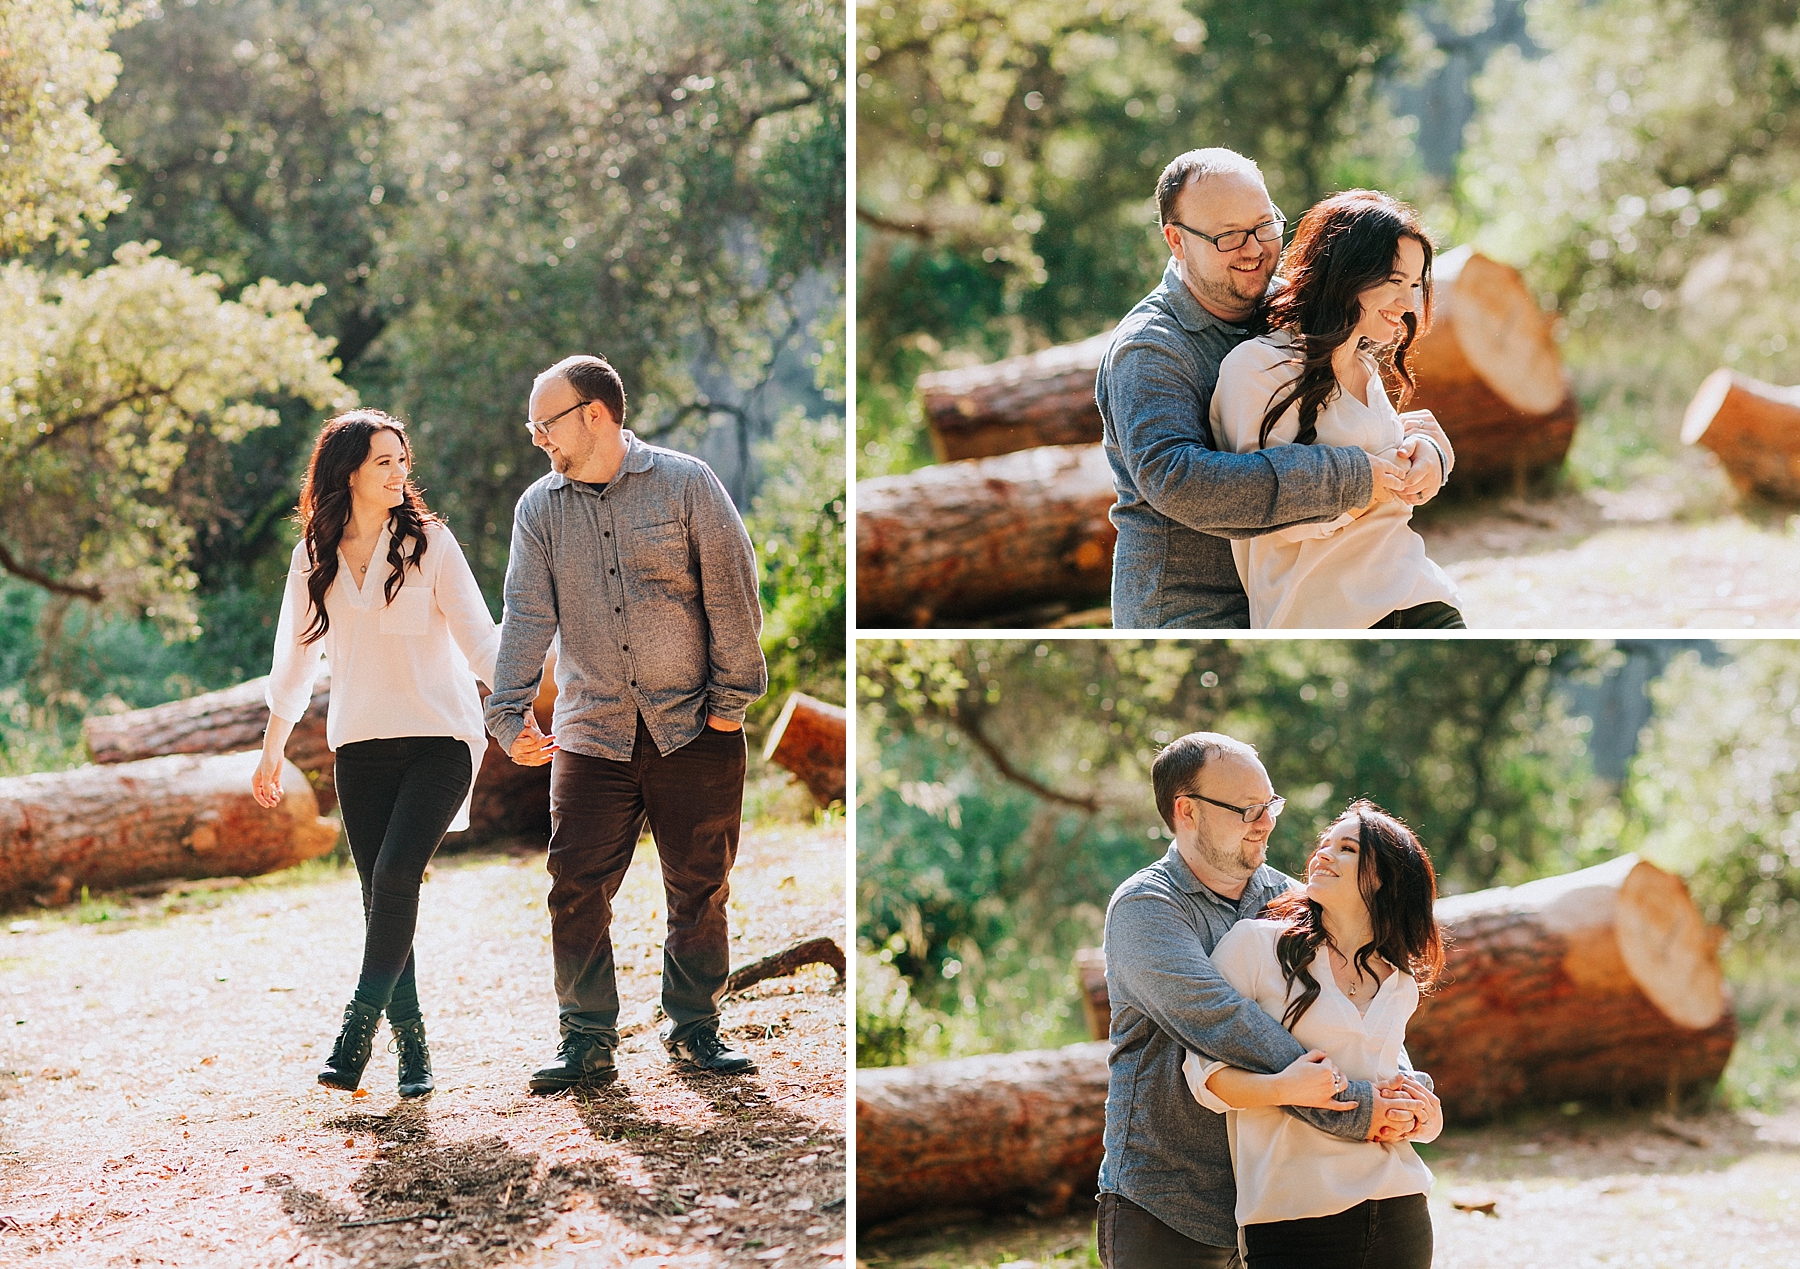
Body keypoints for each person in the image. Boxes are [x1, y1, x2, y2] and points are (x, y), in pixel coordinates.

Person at [483, 353, 768, 1093]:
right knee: (574, 882)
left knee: (699, 886)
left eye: (546, 423)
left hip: (694, 726)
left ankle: (695, 1026)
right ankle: (586, 1039)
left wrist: (730, 708)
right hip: (591, 733)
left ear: (595, 415)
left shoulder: (686, 483)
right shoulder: (539, 509)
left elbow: (733, 594)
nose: (538, 437)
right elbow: (525, 615)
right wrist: (507, 709)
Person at [1097, 732, 1438, 1269]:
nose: (1267, 822)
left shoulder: (1292, 900)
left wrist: (1406, 1089)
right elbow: (1227, 1024)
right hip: (1173, 1204)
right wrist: (1357, 1108)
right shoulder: (1146, 909)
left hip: (1281, 1202)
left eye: (1271, 803)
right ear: (1187, 812)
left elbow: (1356, 1006)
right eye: (1248, 809)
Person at [1097, 148, 1456, 629]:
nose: (1254, 249)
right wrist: (1347, 478)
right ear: (1176, 241)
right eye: (1228, 236)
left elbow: (1357, 416)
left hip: (1300, 589)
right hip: (1193, 610)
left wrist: (1429, 448)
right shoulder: (1150, 350)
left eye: (1265, 226)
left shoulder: (1290, 305)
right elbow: (1179, 481)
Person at [254, 409, 500, 1097]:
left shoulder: (431, 543)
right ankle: (414, 1049)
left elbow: (481, 641)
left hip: (441, 739)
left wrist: (513, 713)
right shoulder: (313, 555)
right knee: (382, 899)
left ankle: (355, 1030)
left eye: (402, 459)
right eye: (384, 461)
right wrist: (273, 749)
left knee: (395, 875)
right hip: (360, 748)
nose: (400, 472)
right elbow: (294, 661)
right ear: (348, 472)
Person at [1183, 801, 1445, 1268]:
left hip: (1401, 1204)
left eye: (1346, 848)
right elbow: (1205, 1076)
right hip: (1294, 1216)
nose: (1322, 855)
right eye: (1323, 845)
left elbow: (1391, 1077)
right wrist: (1284, 1087)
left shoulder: (1398, 981)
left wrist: (1426, 1116)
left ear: (1385, 877)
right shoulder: (1257, 945)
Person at [1209, 190, 1464, 628]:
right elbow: (1259, 506)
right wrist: (1369, 482)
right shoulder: (1258, 368)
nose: (1408, 305)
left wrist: (1428, 457)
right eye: (1393, 281)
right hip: (1328, 612)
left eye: (1414, 285)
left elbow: (1381, 461)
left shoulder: (1364, 367)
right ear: (1347, 274)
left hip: (1418, 591)